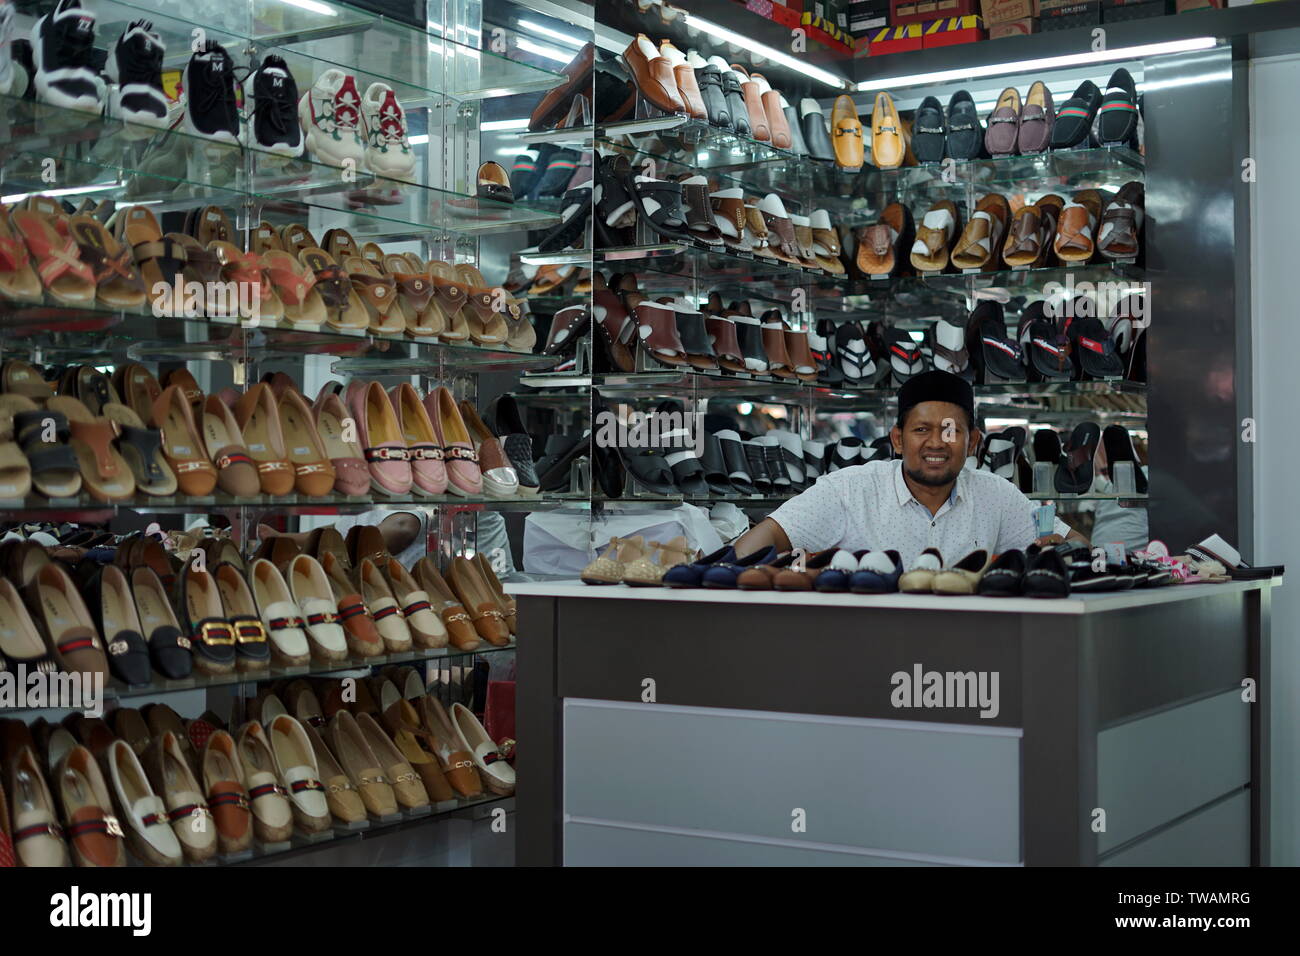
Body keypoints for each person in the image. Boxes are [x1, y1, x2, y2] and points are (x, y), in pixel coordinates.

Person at [735, 370, 1088, 563]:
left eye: (950, 431)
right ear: (898, 439)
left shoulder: (997, 495)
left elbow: (1078, 544)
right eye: (921, 430)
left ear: (974, 443)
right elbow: (768, 537)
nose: (936, 443)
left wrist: (1060, 553)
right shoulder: (849, 489)